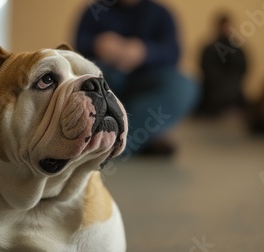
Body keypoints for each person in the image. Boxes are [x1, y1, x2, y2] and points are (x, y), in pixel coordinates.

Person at [75, 0, 198, 156]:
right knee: (87, 79)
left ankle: (118, 143)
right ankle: (142, 139)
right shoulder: (94, 10)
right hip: (108, 81)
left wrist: (145, 52)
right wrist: (97, 45)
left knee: (183, 86)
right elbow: (78, 48)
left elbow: (173, 52)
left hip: (147, 83)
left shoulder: (161, 13)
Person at [197, 14, 247, 117]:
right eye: (224, 27)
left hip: (234, 93)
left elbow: (242, 69)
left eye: (228, 27)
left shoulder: (237, 50)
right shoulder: (210, 49)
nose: (226, 30)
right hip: (213, 95)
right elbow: (207, 70)